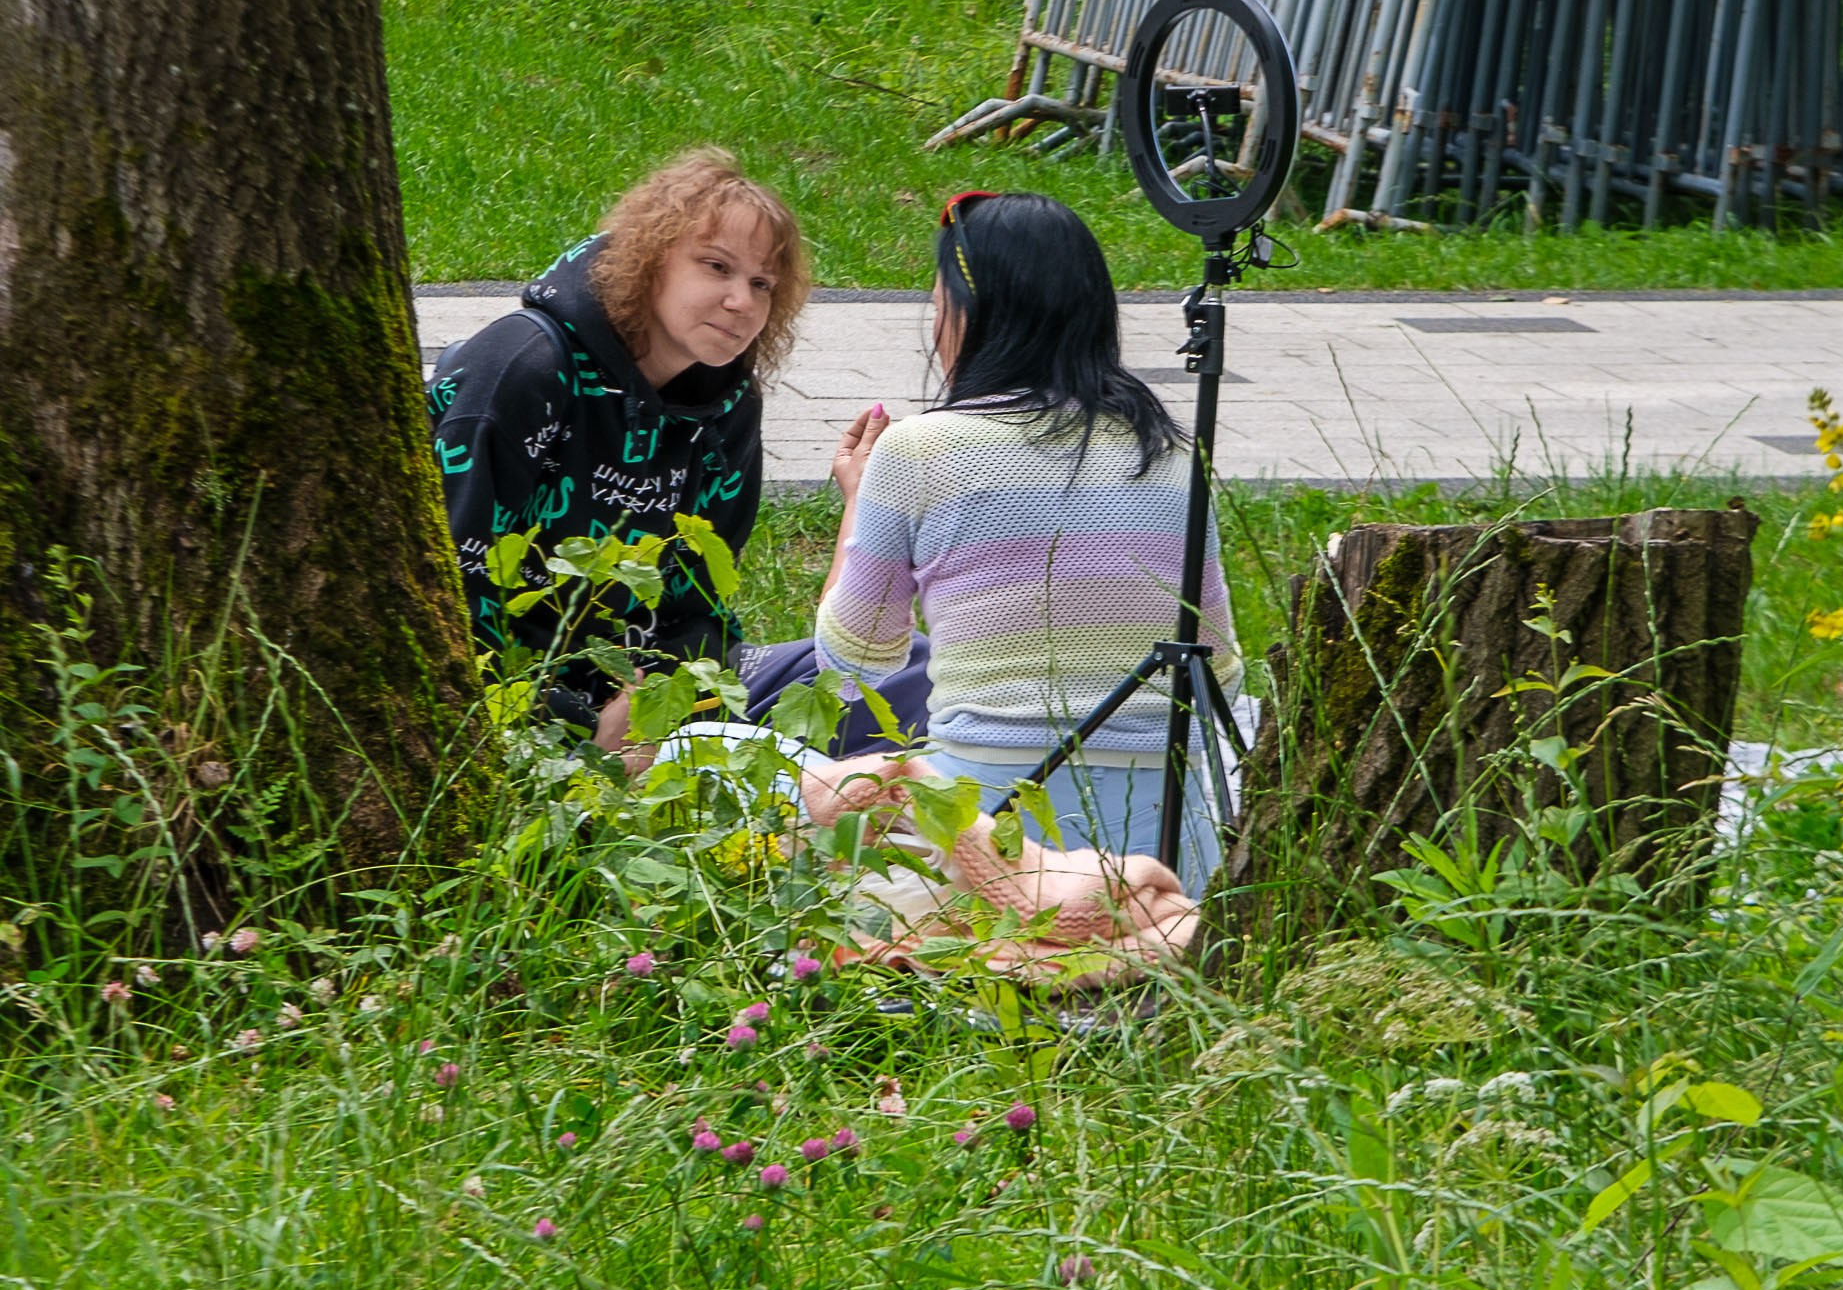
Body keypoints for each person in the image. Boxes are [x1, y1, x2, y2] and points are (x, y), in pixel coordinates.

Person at [813, 189, 1243, 890]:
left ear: (969, 313)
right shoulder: (1170, 453)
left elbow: (851, 661)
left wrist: (858, 505)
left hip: (992, 837)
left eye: (938, 305)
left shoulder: (919, 452)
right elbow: (1218, 668)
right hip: (1169, 846)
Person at [428, 146, 927, 750]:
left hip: (656, 703)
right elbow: (450, 599)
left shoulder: (729, 404)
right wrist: (579, 730)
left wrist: (662, 708)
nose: (742, 301)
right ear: (648, 261)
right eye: (716, 267)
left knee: (912, 673)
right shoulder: (524, 369)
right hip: (515, 714)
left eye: (761, 283)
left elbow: (702, 604)